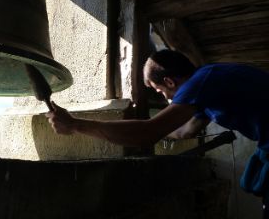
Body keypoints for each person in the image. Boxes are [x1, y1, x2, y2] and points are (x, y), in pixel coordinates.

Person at [45, 49, 269, 217]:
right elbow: (185, 132)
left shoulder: (201, 82)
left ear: (169, 81)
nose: (165, 98)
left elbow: (147, 133)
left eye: (160, 91)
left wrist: (75, 125)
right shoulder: (208, 87)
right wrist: (162, 133)